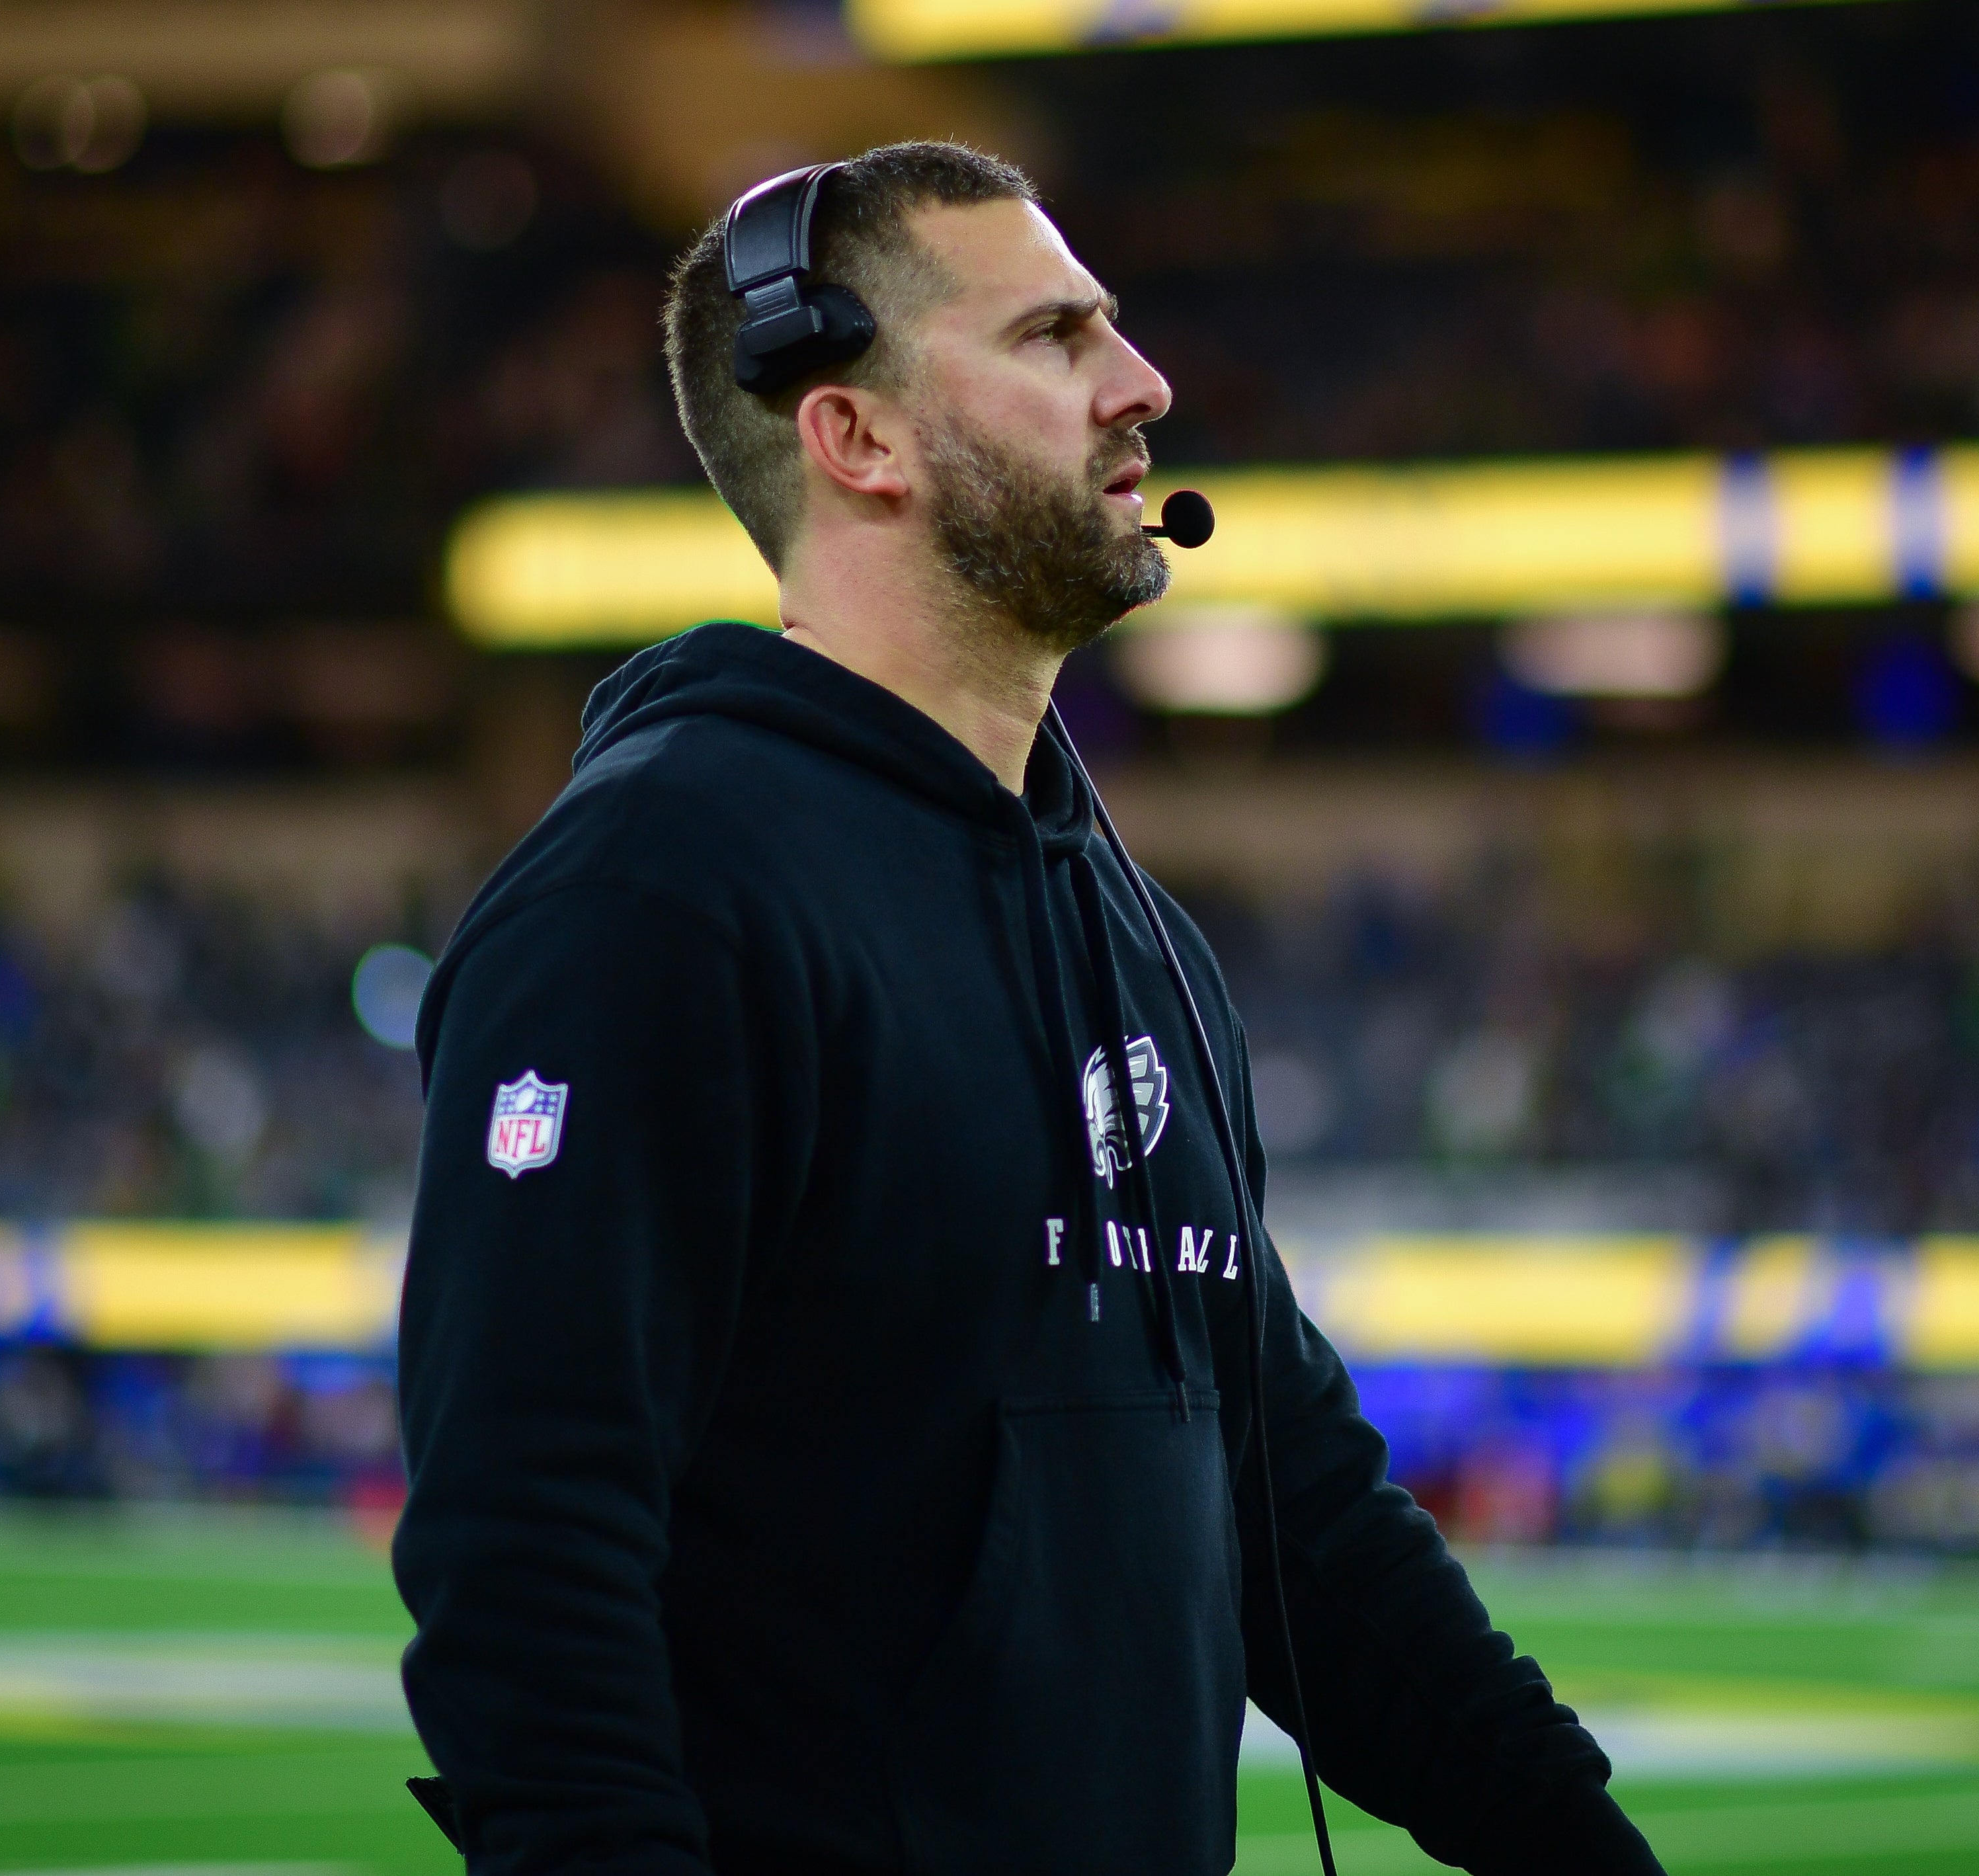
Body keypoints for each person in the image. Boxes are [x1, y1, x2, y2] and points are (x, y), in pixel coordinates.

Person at [391, 140, 1661, 1876]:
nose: (1142, 386)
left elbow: (1295, 1515)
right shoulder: (654, 898)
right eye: (1057, 339)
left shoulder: (1131, 927)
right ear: (858, 436)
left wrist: (1576, 1845)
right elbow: (527, 1560)